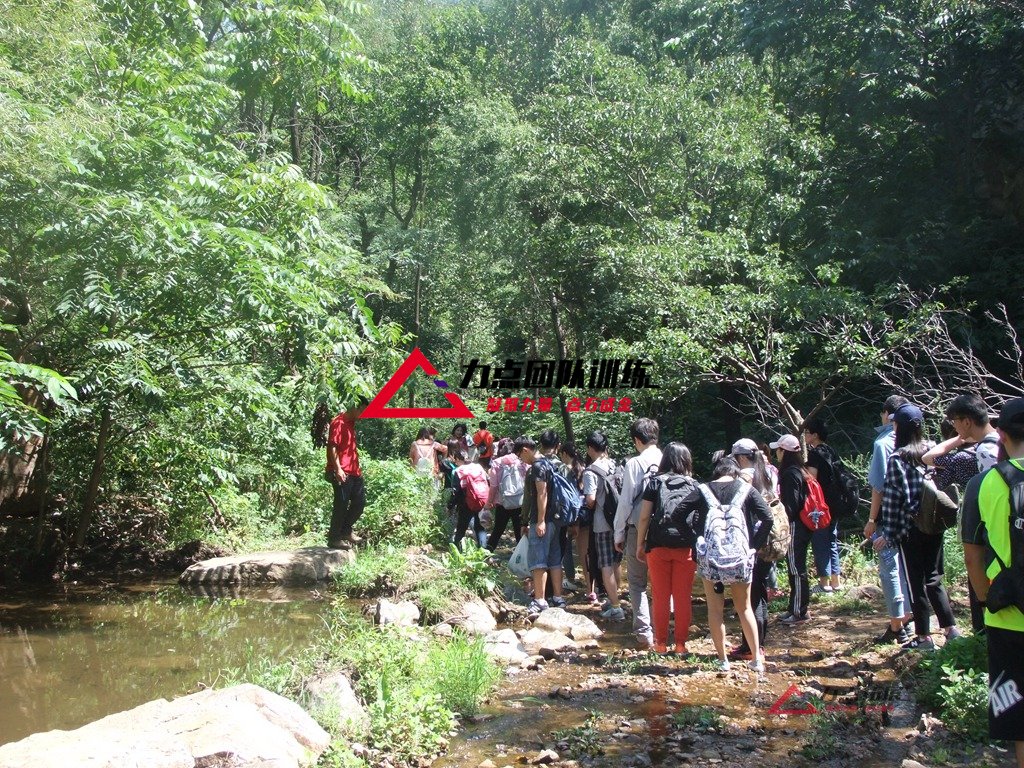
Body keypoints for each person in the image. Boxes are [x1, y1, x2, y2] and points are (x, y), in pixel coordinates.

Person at [962, 396, 1024, 767]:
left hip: (1007, 615)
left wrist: (988, 599)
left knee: (1018, 716)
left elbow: (973, 556)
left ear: (1000, 435)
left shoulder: (983, 483)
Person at [873, 403, 960, 649]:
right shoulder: (933, 450)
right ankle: (951, 629)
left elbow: (891, 499)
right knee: (934, 577)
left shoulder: (898, 458)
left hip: (910, 529)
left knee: (915, 581)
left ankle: (924, 637)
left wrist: (887, 533)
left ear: (899, 427)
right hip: (934, 523)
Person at [689, 454, 772, 672]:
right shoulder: (745, 489)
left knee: (715, 610)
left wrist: (697, 540)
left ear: (716, 472)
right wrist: (753, 544)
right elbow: (768, 517)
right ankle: (756, 660)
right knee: (744, 608)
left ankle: (723, 660)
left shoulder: (703, 490)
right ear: (735, 472)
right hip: (740, 557)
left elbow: (678, 514)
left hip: (711, 559)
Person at [635, 442, 699, 654]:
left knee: (660, 596)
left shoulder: (654, 483)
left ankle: (660, 644)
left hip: (658, 544)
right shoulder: (694, 485)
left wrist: (640, 543)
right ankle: (681, 645)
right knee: (683, 596)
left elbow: (644, 516)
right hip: (686, 546)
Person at [614, 418, 663, 648]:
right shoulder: (669, 458)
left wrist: (618, 532)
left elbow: (625, 502)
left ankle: (644, 633)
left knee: (636, 582)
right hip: (665, 529)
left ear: (636, 440)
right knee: (661, 581)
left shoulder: (635, 463)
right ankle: (663, 627)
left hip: (637, 528)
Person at [730, 438, 775, 659]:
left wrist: (751, 545)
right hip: (770, 541)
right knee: (761, 592)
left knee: (751, 597)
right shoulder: (768, 473)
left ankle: (751, 647)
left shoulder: (745, 478)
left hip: (753, 541)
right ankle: (758, 643)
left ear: (740, 457)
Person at [517, 433, 566, 614]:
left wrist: (539, 521)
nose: (522, 460)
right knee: (554, 560)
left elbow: (540, 494)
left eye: (520, 456)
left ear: (525, 450)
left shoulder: (537, 467)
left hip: (543, 520)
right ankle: (558, 598)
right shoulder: (552, 464)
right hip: (557, 519)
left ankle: (540, 600)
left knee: (538, 561)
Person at [773, 434, 815, 625]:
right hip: (803, 525)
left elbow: (792, 504)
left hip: (796, 526)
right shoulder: (800, 470)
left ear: (784, 451)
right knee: (796, 567)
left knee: (796, 569)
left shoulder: (790, 473)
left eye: (778, 450)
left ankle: (799, 611)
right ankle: (795, 608)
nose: (776, 453)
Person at [584, 431, 624, 617]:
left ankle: (616, 607)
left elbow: (591, 500)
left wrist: (585, 501)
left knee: (605, 563)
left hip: (602, 523)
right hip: (619, 521)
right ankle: (617, 597)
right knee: (617, 561)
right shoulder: (615, 465)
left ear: (591, 448)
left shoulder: (591, 471)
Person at [802, 417, 842, 594]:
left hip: (821, 505)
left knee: (820, 541)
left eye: (807, 432)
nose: (804, 435)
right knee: (832, 540)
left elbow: (812, 479)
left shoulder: (815, 453)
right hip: (835, 503)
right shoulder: (831, 451)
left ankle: (824, 584)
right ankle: (836, 581)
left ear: (815, 435)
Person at [864, 394, 910, 541]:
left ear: (887, 415)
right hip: (915, 513)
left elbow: (879, 485)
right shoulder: (916, 440)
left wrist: (872, 520)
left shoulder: (882, 443)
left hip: (890, 515)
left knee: (891, 562)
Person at [326, 400, 366, 549]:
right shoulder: (339, 422)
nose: (363, 415)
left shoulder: (351, 424)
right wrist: (338, 469)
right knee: (341, 505)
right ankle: (334, 538)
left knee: (359, 503)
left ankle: (345, 531)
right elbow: (332, 447)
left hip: (354, 471)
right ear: (355, 407)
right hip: (342, 471)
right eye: (362, 411)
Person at [559, 440, 588, 592]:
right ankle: (591, 582)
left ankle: (570, 579)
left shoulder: (566, 470)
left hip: (571, 514)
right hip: (586, 513)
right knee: (587, 549)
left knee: (567, 548)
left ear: (565, 454)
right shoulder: (583, 468)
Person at [486, 438, 525, 551]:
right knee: (519, 531)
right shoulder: (521, 462)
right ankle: (522, 558)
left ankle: (487, 554)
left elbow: (494, 486)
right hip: (520, 502)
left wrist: (489, 502)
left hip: (502, 502)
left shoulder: (497, 463)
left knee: (498, 530)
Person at [452, 446, 488, 551]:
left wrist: (451, 505)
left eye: (455, 460)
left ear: (458, 459)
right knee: (480, 527)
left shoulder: (459, 470)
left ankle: (456, 551)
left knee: (461, 528)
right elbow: (487, 480)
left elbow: (456, 491)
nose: (455, 463)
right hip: (481, 499)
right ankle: (483, 551)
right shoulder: (478, 467)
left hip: (465, 502)